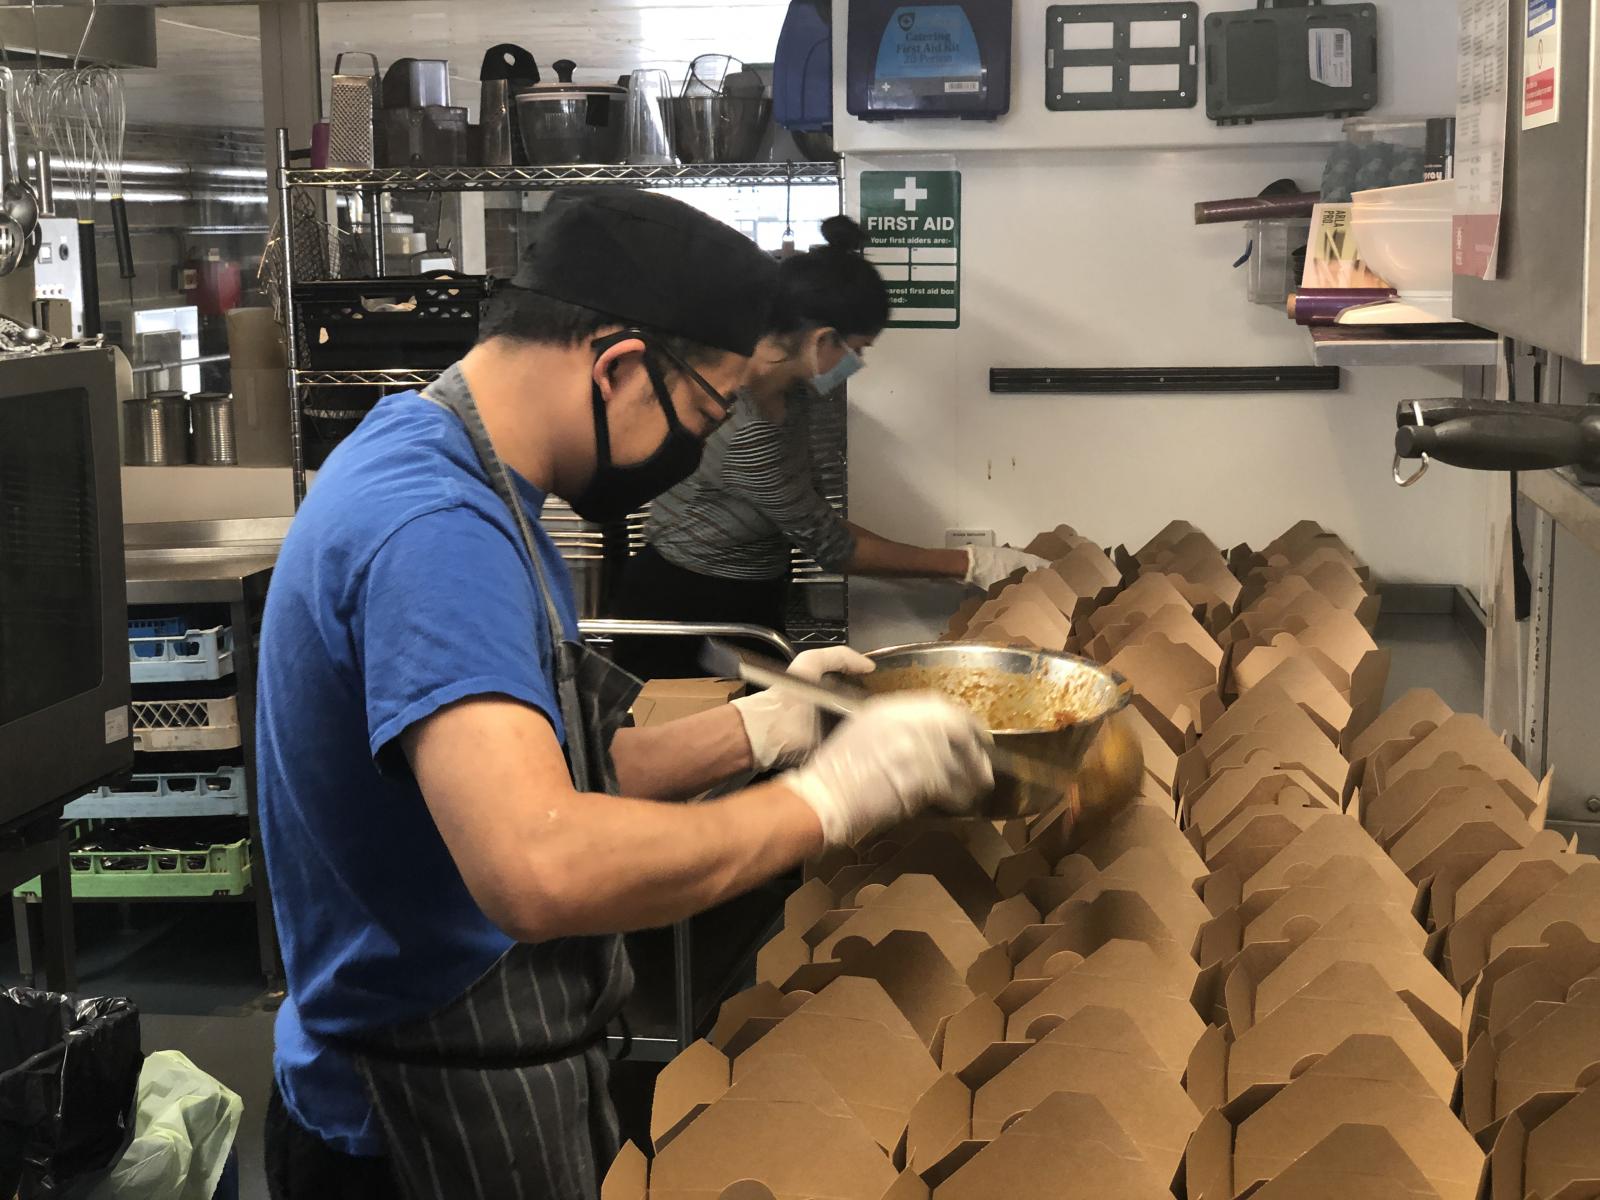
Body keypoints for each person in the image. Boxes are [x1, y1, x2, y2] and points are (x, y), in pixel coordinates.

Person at [254, 190, 995, 1200]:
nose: (697, 446)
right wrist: (823, 803)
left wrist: (766, 726)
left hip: (489, 1058)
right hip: (418, 1115)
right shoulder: (434, 531)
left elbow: (550, 767)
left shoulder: (468, 478)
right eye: (700, 413)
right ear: (615, 365)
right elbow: (540, 862)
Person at [610, 216, 1047, 678]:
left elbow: (821, 506)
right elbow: (832, 545)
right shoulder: (742, 425)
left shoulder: (799, 392)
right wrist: (971, 564)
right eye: (857, 349)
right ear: (823, 340)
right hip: (688, 605)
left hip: (752, 590)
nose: (858, 364)